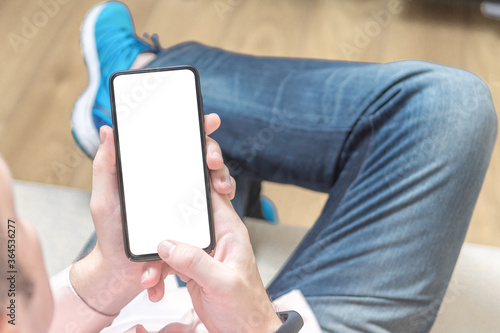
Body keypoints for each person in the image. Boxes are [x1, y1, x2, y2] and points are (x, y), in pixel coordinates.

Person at [2, 1, 497, 332]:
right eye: (22, 271)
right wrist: (259, 323)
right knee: (446, 107)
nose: (35, 238)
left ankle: (166, 110)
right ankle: (138, 77)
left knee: (200, 171)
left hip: (140, 301)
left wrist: (101, 283)